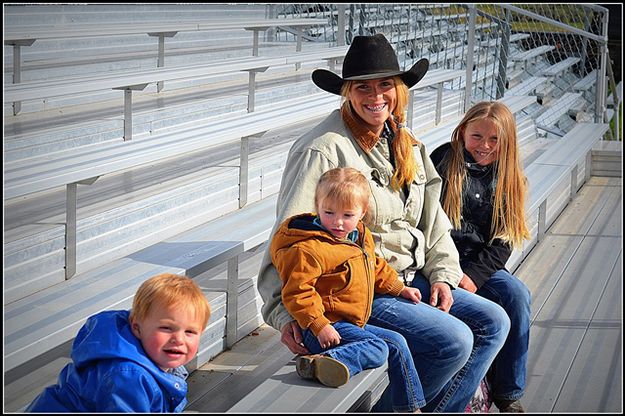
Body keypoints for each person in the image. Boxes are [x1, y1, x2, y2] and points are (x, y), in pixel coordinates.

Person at [257, 33, 511, 412]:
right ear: (347, 92)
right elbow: (289, 236)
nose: (376, 96)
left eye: (385, 85)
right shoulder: (324, 149)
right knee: (454, 340)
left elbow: (432, 219)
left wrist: (443, 274)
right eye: (363, 87)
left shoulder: (405, 143)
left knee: (494, 321)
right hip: (357, 290)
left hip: (408, 279)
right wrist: (283, 314)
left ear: (399, 90)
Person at [271, 167, 425, 412]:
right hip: (321, 328)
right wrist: (319, 325)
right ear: (317, 206)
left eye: (347, 214)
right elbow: (297, 292)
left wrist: (398, 288)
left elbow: (373, 265)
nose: (338, 222)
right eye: (329, 212)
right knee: (379, 348)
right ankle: (324, 362)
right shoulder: (308, 249)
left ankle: (410, 408)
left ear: (362, 213)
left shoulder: (357, 235)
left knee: (398, 342)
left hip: (348, 324)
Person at [430, 101, 531, 413]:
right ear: (462, 133)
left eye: (494, 140)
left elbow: (504, 241)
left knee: (516, 293)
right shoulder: (444, 160)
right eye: (476, 137)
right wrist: (447, 271)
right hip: (438, 260)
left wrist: (473, 277)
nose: (484, 146)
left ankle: (508, 391)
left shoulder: (511, 177)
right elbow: (427, 220)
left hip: (477, 265)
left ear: (507, 142)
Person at [26, 273, 211, 413]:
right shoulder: (128, 376)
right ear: (137, 328)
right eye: (166, 328)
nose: (178, 339)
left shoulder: (158, 363)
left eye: (190, 332)